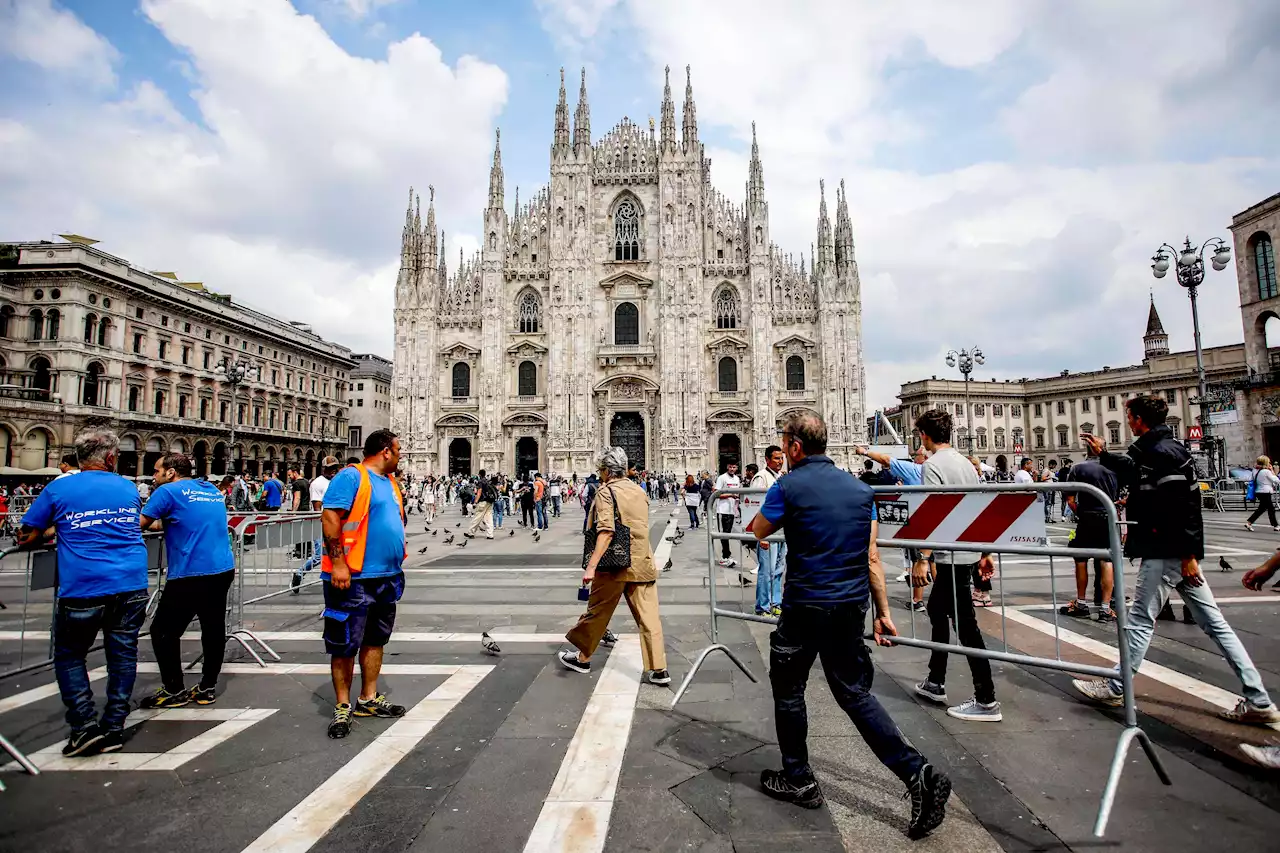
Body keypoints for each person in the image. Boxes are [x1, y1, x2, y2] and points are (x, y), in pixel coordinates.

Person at [747, 412, 951, 838]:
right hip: (851, 606)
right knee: (854, 694)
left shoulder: (789, 485)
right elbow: (873, 557)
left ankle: (799, 777)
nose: (783, 450)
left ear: (796, 447)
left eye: (785, 442)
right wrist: (884, 613)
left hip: (805, 605)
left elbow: (759, 529)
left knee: (788, 690)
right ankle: (918, 773)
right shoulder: (861, 491)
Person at [1073, 396, 1280, 725]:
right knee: (1215, 625)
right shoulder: (1157, 450)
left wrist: (1187, 555)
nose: (1127, 422)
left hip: (1166, 549)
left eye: (1129, 417)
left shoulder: (1161, 453)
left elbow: (1182, 507)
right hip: (1172, 550)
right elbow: (1137, 472)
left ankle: (1116, 686)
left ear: (1139, 420)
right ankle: (1257, 698)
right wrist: (1106, 455)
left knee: (1139, 620)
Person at [18, 427, 149, 757]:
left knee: (70, 656)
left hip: (84, 587)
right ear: (109, 458)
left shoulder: (60, 487)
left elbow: (26, 536)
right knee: (122, 657)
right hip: (131, 584)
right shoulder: (127, 486)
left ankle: (84, 727)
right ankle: (114, 727)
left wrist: (56, 529)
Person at [911, 408, 1002, 722]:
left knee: (966, 626)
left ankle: (987, 699)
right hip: (968, 552)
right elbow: (978, 507)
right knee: (938, 612)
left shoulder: (933, 466)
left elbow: (931, 515)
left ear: (924, 435)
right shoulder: (966, 463)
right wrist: (986, 552)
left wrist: (923, 558)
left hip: (950, 556)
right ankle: (935, 680)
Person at [320, 429, 410, 738]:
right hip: (353, 577)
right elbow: (330, 517)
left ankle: (368, 697)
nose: (401, 455)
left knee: (376, 639)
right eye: (398, 450)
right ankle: (343, 705)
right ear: (386, 451)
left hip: (385, 577)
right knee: (345, 642)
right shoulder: (351, 477)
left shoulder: (391, 483)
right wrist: (339, 564)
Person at [561, 447, 669, 686]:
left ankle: (583, 658)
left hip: (616, 564)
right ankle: (659, 669)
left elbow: (607, 530)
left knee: (597, 611)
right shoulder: (638, 490)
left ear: (608, 471)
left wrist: (591, 566)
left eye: (601, 470)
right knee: (650, 618)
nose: (600, 474)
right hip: (642, 561)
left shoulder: (606, 491)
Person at [138, 452, 236, 708]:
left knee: (162, 631)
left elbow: (139, 523)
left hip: (191, 572)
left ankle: (174, 689)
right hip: (222, 567)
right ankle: (207, 687)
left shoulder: (167, 492)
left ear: (171, 472)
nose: (155, 477)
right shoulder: (211, 490)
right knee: (213, 629)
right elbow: (183, 520)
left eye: (158, 471)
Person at [857, 444, 931, 612]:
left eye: (917, 455)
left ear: (924, 458)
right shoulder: (942, 470)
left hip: (919, 524)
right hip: (937, 526)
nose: (914, 457)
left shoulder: (914, 470)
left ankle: (918, 599)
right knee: (932, 560)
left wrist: (864, 451)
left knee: (918, 560)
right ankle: (942, 596)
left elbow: (886, 459)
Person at [1059, 444, 1119, 623]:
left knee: (1081, 560)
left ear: (1087, 449)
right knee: (1107, 561)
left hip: (1086, 517)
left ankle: (1081, 603)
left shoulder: (1078, 468)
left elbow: (1069, 500)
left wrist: (1080, 513)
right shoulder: (1113, 468)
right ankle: (1105, 608)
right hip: (1108, 516)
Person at [292, 456, 342, 592]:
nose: (333, 471)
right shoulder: (317, 483)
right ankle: (299, 573)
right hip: (321, 523)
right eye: (330, 468)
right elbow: (317, 507)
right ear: (323, 468)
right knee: (319, 556)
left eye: (335, 468)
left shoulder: (338, 481)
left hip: (337, 524)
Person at [750, 445, 787, 617]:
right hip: (767, 534)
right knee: (766, 571)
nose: (780, 462)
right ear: (766, 460)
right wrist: (760, 536)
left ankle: (776, 603)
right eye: (776, 459)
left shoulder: (782, 477)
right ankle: (762, 606)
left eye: (781, 458)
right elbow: (753, 507)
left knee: (779, 570)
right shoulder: (761, 478)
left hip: (781, 533)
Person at [714, 462, 742, 568]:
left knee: (728, 534)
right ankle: (725, 557)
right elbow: (716, 494)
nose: (732, 469)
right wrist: (730, 495)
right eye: (730, 466)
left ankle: (726, 556)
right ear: (727, 467)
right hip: (722, 510)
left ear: (736, 468)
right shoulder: (722, 478)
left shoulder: (736, 479)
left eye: (734, 467)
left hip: (731, 511)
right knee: (723, 534)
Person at [1245, 455, 1280, 531]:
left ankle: (1249, 522)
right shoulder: (1266, 471)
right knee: (1271, 509)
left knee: (1261, 509)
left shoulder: (1255, 471)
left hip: (1258, 491)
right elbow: (1276, 480)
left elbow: (1252, 479)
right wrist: (1273, 471)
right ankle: (1276, 525)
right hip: (1266, 491)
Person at [465, 470, 496, 540]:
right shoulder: (488, 481)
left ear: (479, 474)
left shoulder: (481, 481)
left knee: (477, 517)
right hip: (489, 501)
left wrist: (475, 502)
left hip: (482, 502)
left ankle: (471, 532)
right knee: (489, 518)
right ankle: (490, 534)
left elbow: (479, 492)